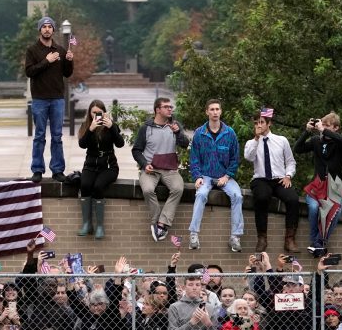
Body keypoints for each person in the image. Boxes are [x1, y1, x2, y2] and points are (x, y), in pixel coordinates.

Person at [187, 99, 243, 252]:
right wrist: (197, 176)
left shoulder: (229, 133)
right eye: (211, 109)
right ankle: (193, 234)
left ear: (221, 111)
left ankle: (235, 236)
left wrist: (227, 176)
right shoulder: (199, 133)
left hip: (225, 176)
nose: (215, 112)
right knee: (201, 194)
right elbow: (194, 158)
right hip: (205, 175)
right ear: (207, 112)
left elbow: (235, 158)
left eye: (217, 109)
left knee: (237, 196)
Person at [132, 97, 190, 242]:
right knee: (147, 190)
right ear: (157, 110)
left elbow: (185, 144)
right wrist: (145, 164)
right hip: (151, 170)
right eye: (166, 107)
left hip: (170, 170)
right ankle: (157, 221)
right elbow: (136, 150)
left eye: (171, 107)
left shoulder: (175, 126)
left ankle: (162, 223)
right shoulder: (146, 128)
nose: (170, 109)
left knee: (178, 188)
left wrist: (178, 133)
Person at [24, 16, 74, 183]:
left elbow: (67, 74)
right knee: (39, 135)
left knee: (57, 136)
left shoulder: (60, 50)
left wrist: (69, 61)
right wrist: (46, 60)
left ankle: (58, 170)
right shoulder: (32, 50)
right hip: (39, 99)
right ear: (40, 30)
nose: (47, 29)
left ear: (53, 30)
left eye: (49, 27)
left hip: (57, 99)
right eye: (44, 27)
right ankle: (37, 169)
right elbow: (29, 71)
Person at [244, 109, 299, 252]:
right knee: (262, 197)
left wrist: (288, 175)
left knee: (293, 199)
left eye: (262, 122)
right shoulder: (251, 142)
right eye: (256, 123)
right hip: (261, 179)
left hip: (279, 179)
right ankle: (262, 237)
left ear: (269, 124)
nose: (259, 125)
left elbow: (291, 161)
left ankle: (290, 239)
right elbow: (249, 157)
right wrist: (256, 139)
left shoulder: (281, 140)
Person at [295, 112, 342, 256]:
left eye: (327, 125)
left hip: (334, 187)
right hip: (317, 185)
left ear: (336, 128)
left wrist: (322, 129)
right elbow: (298, 149)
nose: (322, 127)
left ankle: (320, 241)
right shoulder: (316, 140)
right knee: (313, 207)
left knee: (336, 211)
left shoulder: (339, 143)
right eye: (322, 124)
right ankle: (315, 241)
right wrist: (307, 131)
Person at [77, 100, 124, 239]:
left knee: (98, 186)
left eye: (99, 112)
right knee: (85, 185)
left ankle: (100, 226)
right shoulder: (86, 125)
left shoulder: (111, 125)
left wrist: (112, 128)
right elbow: (82, 145)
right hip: (91, 165)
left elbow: (120, 144)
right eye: (94, 112)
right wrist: (90, 129)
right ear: (90, 113)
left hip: (108, 166)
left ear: (104, 112)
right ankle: (87, 224)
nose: (96, 115)